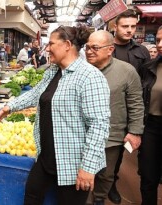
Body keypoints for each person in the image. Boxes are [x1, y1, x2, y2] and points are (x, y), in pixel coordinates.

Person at [0, 25, 110, 205]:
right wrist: (8, 107)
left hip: (72, 161)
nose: (47, 48)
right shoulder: (52, 72)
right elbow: (35, 94)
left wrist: (87, 168)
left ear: (67, 45)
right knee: (32, 197)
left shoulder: (90, 77)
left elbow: (99, 125)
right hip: (46, 155)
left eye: (51, 44)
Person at [85, 30, 144, 205]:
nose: (89, 51)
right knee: (82, 171)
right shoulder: (80, 69)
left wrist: (135, 131)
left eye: (95, 48)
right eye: (87, 47)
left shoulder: (126, 71)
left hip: (111, 136)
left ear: (110, 49)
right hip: (82, 133)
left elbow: (136, 104)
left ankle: (99, 198)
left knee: (105, 173)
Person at [109, 9, 150, 204]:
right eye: (125, 26)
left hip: (132, 109)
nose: (130, 30)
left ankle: (111, 183)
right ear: (115, 27)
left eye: (133, 26)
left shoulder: (141, 52)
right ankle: (102, 182)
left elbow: (147, 82)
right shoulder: (104, 48)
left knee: (119, 150)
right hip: (108, 108)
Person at [138, 26, 162, 205]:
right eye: (158, 40)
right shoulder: (151, 66)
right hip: (151, 127)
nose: (159, 45)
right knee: (148, 176)